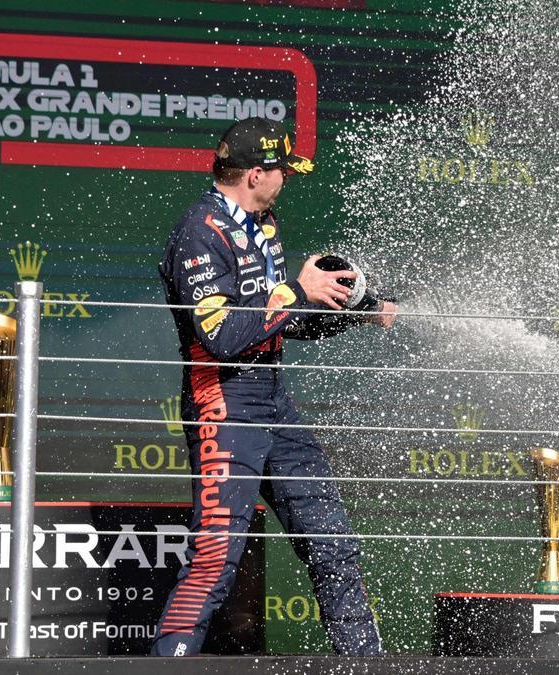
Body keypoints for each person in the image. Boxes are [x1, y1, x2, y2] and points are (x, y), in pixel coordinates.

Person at [152, 117, 396, 657]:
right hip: (223, 400)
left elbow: (277, 320)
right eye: (282, 169)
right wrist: (295, 289)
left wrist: (353, 308)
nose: (287, 178)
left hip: (270, 397)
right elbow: (221, 334)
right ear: (256, 173)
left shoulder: (262, 224)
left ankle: (366, 665)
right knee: (215, 557)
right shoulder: (200, 230)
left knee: (332, 544)